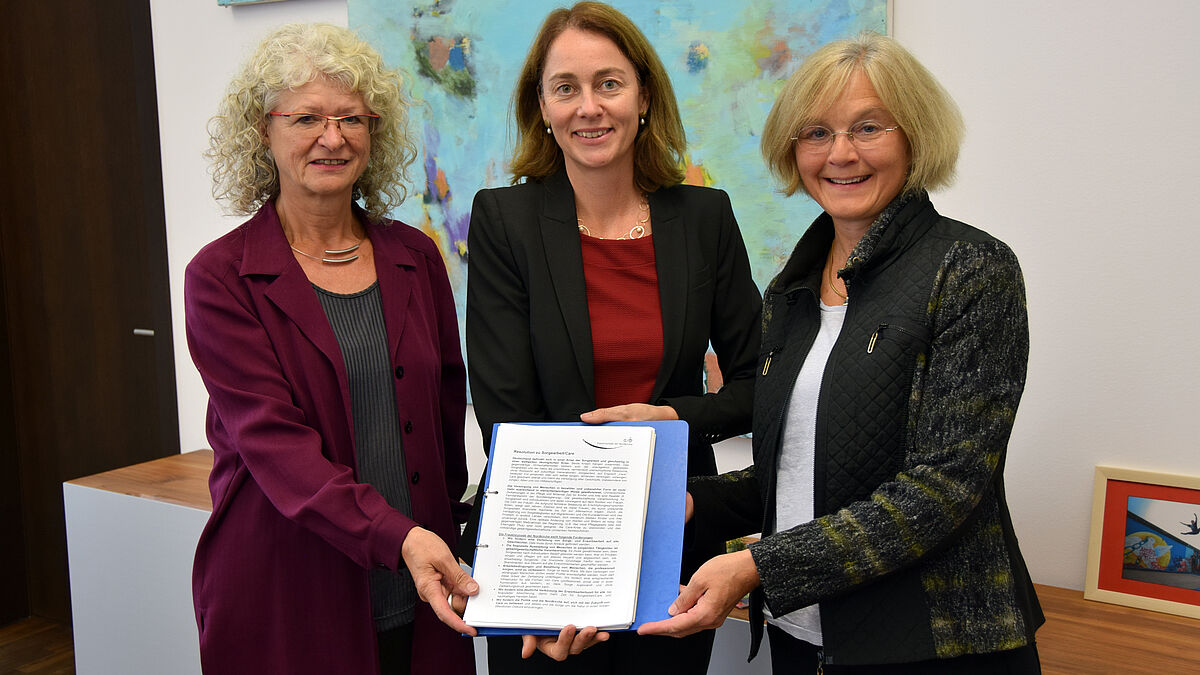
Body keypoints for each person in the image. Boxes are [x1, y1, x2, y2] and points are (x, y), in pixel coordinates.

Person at [639, 32, 1044, 673]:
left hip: (935, 644)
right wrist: (689, 503)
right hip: (800, 639)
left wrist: (756, 564)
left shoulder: (970, 268)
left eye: (868, 127)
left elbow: (942, 487)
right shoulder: (790, 290)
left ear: (914, 136)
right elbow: (797, 468)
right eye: (817, 133)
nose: (841, 154)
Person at [462, 2, 762, 671]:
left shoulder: (704, 217)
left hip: (676, 542)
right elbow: (508, 415)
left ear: (644, 95)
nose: (588, 107)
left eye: (609, 83)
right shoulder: (504, 220)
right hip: (544, 546)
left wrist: (672, 414)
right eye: (565, 87)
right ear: (542, 105)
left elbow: (757, 385)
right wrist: (563, 577)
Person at [185, 23, 477, 675]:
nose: (333, 136)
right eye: (307, 117)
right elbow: (276, 446)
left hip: (423, 583)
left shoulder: (415, 255)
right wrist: (400, 536)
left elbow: (444, 411)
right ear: (264, 130)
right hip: (289, 591)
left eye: (352, 118)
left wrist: (449, 529)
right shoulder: (220, 276)